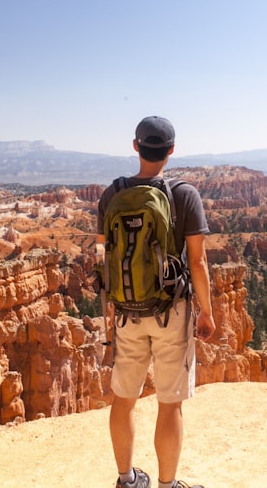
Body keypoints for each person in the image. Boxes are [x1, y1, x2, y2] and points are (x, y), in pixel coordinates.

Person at [97, 116, 216, 488]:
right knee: (170, 403)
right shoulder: (183, 194)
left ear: (136, 147)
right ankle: (166, 485)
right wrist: (207, 312)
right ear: (171, 150)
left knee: (124, 398)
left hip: (126, 312)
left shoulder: (112, 193)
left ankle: (126, 479)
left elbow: (103, 254)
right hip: (172, 311)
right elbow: (197, 260)